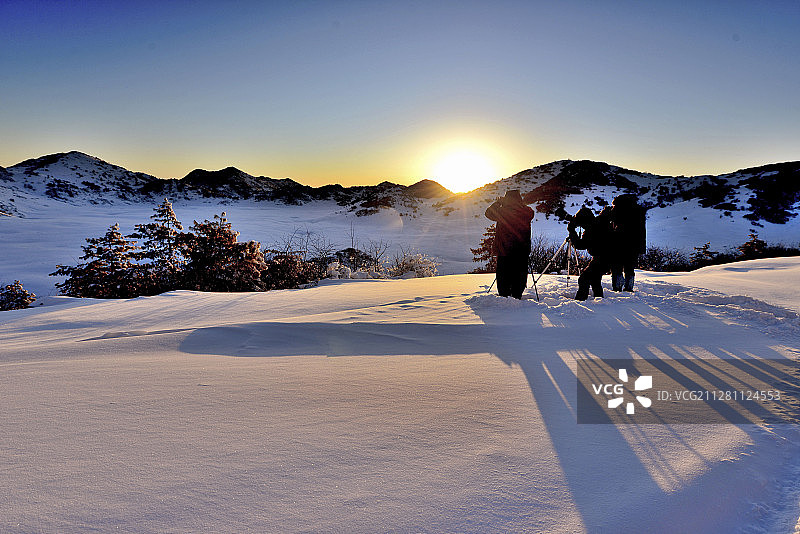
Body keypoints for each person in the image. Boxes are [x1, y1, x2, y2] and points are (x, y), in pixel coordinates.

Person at [485, 190, 534, 299]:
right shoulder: (527, 211)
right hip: (522, 250)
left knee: (503, 274)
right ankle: (517, 295)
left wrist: (498, 202)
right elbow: (527, 210)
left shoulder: (503, 212)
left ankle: (504, 296)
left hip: (504, 249)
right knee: (520, 273)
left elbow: (488, 213)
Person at [568, 206, 613, 301]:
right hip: (608, 257)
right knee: (595, 280)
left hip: (602, 258)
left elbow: (580, 245)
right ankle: (600, 301)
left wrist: (572, 231)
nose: (582, 226)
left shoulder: (592, 229)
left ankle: (580, 302)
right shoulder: (599, 223)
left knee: (583, 279)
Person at [608, 194, 647, 292]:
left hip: (618, 244)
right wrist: (641, 248)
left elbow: (610, 224)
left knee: (616, 267)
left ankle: (617, 287)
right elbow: (642, 231)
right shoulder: (639, 211)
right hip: (634, 245)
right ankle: (629, 287)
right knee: (630, 268)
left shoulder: (616, 210)